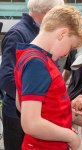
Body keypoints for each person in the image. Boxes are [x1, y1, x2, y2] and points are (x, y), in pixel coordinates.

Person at [14, 5, 82, 150]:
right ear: (62, 34)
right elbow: (30, 123)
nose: (67, 54)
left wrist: (58, 129)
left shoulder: (28, 55)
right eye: (71, 47)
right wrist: (69, 136)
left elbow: (20, 104)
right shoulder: (37, 63)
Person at [0, 0, 64, 150]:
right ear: (48, 12)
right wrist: (34, 100)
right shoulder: (18, 34)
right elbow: (6, 77)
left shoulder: (37, 32)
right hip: (18, 116)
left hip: (33, 113)